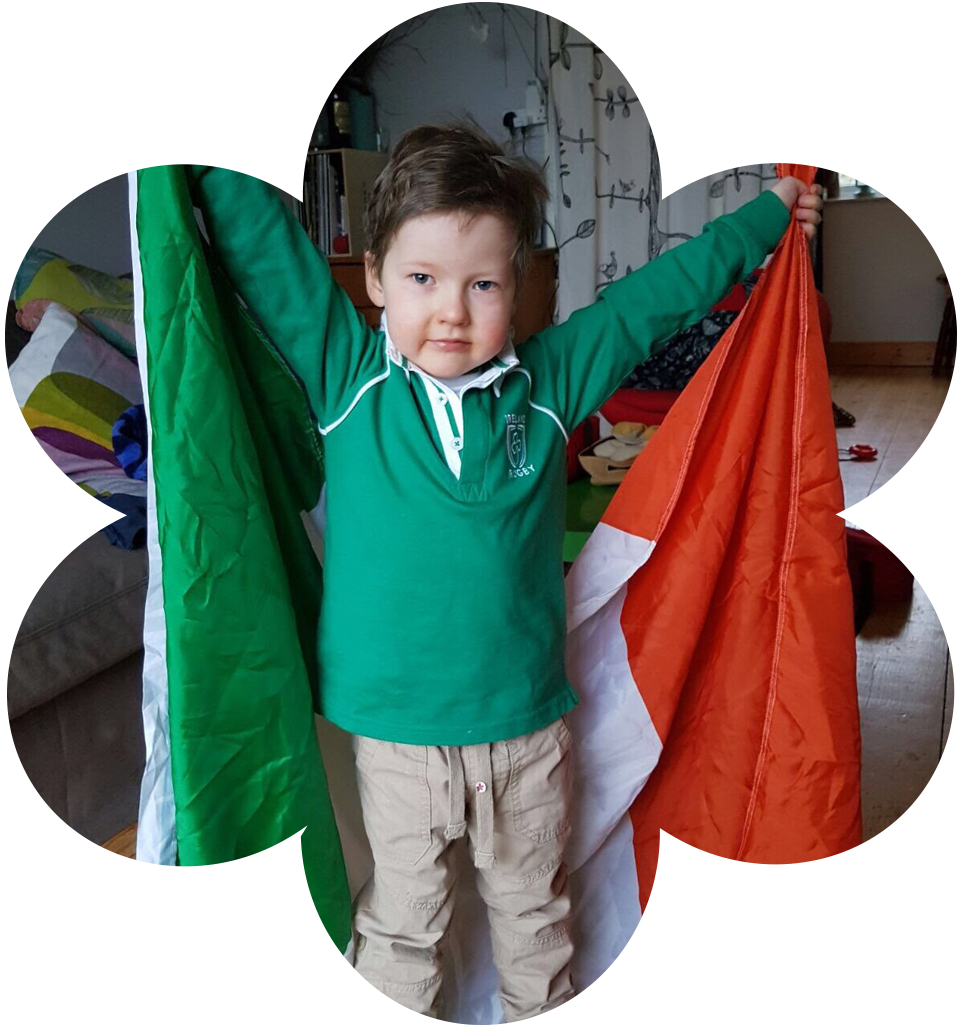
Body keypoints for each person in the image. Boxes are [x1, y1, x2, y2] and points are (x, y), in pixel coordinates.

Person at [153, 4, 824, 1025]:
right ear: (374, 282)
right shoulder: (348, 377)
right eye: (421, 279)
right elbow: (251, 235)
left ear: (522, 291)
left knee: (532, 916)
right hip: (397, 741)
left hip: (525, 732)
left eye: (481, 283)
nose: (451, 310)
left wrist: (773, 212)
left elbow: (656, 299)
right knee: (404, 922)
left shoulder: (548, 382)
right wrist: (186, 85)